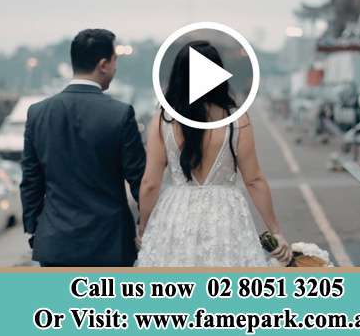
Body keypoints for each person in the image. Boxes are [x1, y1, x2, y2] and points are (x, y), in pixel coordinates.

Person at [135, 40, 291, 266]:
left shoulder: (162, 119)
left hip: (177, 213)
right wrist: (275, 231)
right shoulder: (238, 119)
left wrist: (143, 227)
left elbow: (150, 182)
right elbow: (254, 180)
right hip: (226, 216)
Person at [20, 29, 146, 266]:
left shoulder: (37, 113)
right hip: (109, 244)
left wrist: (34, 230)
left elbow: (31, 181)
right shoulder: (120, 114)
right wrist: (147, 223)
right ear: (103, 65)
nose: (116, 68)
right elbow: (139, 179)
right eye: (115, 60)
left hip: (55, 243)